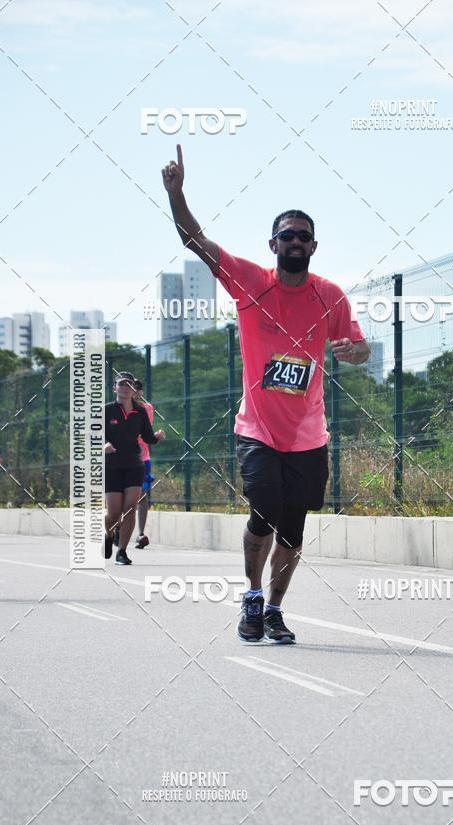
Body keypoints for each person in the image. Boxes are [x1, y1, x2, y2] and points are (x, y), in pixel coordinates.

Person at [162, 144, 370, 643]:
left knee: (294, 530)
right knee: (264, 511)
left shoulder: (330, 295)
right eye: (287, 235)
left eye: (304, 236)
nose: (296, 241)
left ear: (313, 247)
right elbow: (197, 240)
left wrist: (350, 352)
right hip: (257, 430)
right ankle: (251, 597)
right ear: (273, 244)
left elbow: (360, 350)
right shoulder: (250, 282)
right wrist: (177, 195)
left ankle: (273, 609)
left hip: (308, 436)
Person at [104, 373, 165, 565]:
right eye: (121, 385)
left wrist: (157, 437)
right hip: (112, 466)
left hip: (134, 466)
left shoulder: (140, 412)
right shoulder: (106, 411)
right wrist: (103, 445)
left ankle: (121, 552)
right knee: (113, 513)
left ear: (133, 390)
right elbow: (92, 435)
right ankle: (108, 535)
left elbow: (147, 437)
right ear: (115, 388)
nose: (124, 388)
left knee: (130, 508)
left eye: (128, 385)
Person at [132, 378, 154, 549]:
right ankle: (117, 528)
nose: (136, 391)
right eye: (132, 388)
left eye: (139, 388)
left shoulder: (147, 408)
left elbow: (144, 432)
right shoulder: (115, 410)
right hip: (121, 458)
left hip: (143, 457)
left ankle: (140, 533)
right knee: (123, 498)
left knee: (142, 495)